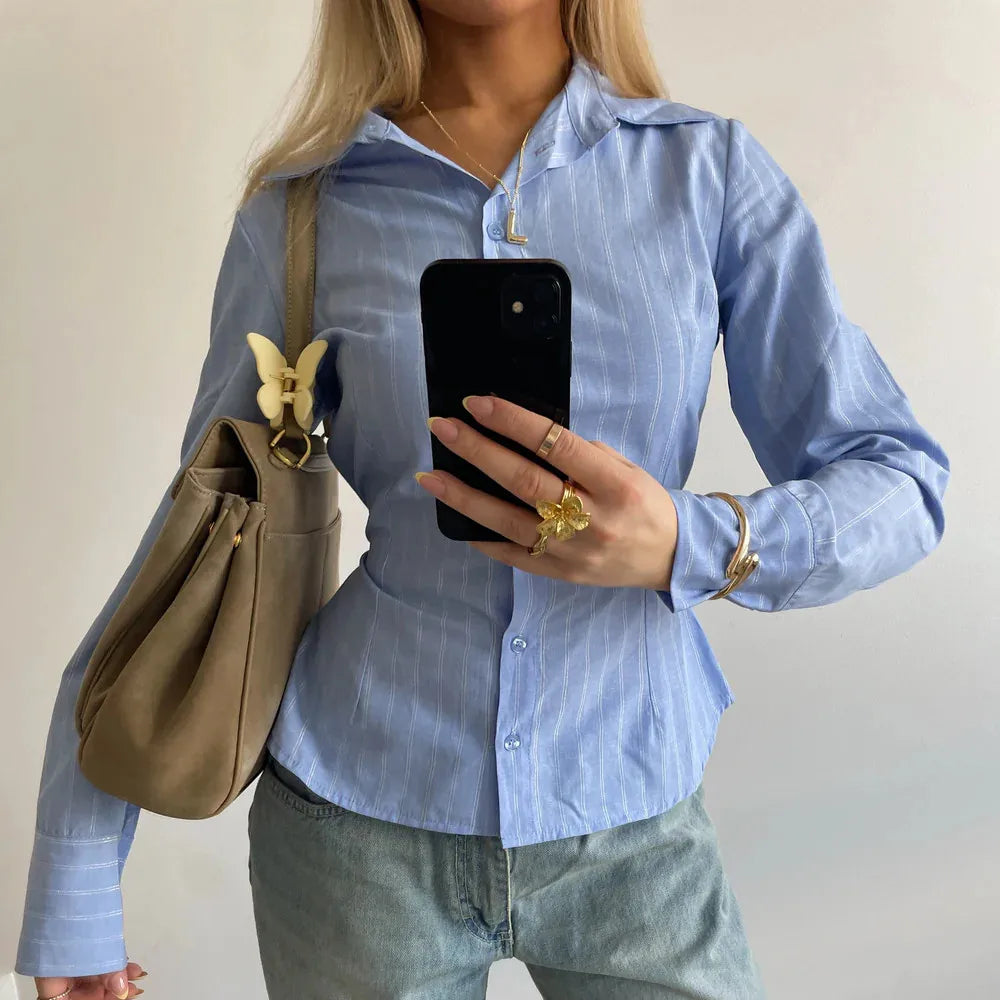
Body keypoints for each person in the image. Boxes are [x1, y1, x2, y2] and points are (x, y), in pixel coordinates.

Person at [17, 1, 950, 998]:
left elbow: (899, 478)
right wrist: (74, 885)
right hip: (354, 827)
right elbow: (195, 540)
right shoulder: (304, 211)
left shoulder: (708, 174)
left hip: (634, 822)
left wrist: (686, 538)